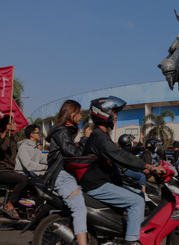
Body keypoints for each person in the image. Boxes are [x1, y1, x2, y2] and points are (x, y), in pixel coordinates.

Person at [81, 96, 163, 245]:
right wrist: (149, 167)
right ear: (104, 113)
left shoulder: (102, 135)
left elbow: (121, 156)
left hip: (103, 181)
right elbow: (120, 155)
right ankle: (131, 241)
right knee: (137, 201)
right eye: (114, 112)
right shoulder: (99, 137)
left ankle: (123, 231)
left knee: (139, 194)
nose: (116, 116)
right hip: (97, 185)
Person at [43, 100, 92, 245]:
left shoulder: (65, 132)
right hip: (61, 175)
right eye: (79, 113)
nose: (81, 116)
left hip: (67, 174)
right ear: (71, 114)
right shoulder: (62, 132)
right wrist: (85, 138)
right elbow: (74, 154)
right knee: (79, 207)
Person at [0, 115, 29, 220]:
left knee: (30, 180)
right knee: (23, 179)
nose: (16, 124)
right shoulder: (2, 136)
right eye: (13, 122)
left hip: (11, 171)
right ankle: (9, 204)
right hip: (2, 171)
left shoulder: (12, 139)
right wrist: (4, 132)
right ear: (7, 125)